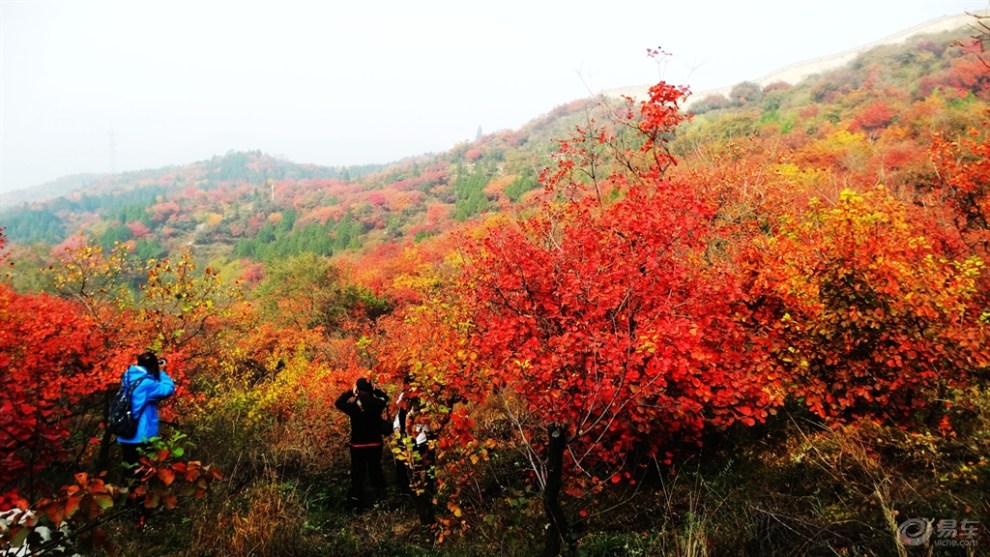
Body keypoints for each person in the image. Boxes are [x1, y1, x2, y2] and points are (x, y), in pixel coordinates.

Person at [117, 352, 176, 472]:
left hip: (125, 430)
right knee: (145, 471)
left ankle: (126, 489)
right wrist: (161, 372)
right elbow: (168, 389)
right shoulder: (147, 384)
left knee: (128, 469)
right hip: (141, 435)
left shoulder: (127, 377)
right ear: (153, 366)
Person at [335, 377, 388, 511]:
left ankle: (356, 501)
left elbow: (338, 403)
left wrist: (351, 393)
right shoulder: (377, 404)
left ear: (357, 389)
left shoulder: (353, 406)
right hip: (375, 444)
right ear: (370, 389)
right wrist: (376, 391)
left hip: (357, 445)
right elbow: (385, 398)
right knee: (376, 470)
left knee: (358, 473)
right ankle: (381, 499)